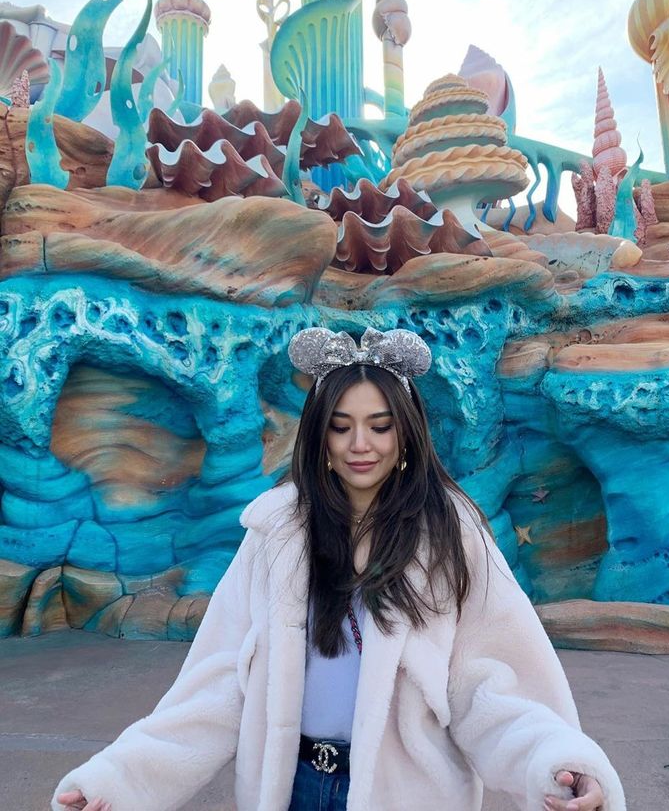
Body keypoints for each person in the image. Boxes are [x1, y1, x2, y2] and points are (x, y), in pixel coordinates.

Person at [53, 326, 626, 811]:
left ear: (405, 433)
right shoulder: (276, 532)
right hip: (291, 786)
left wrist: (557, 762)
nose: (361, 444)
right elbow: (220, 683)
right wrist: (117, 780)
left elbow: (491, 688)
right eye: (341, 425)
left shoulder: (451, 536)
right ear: (319, 435)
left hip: (406, 793)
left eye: (379, 425)